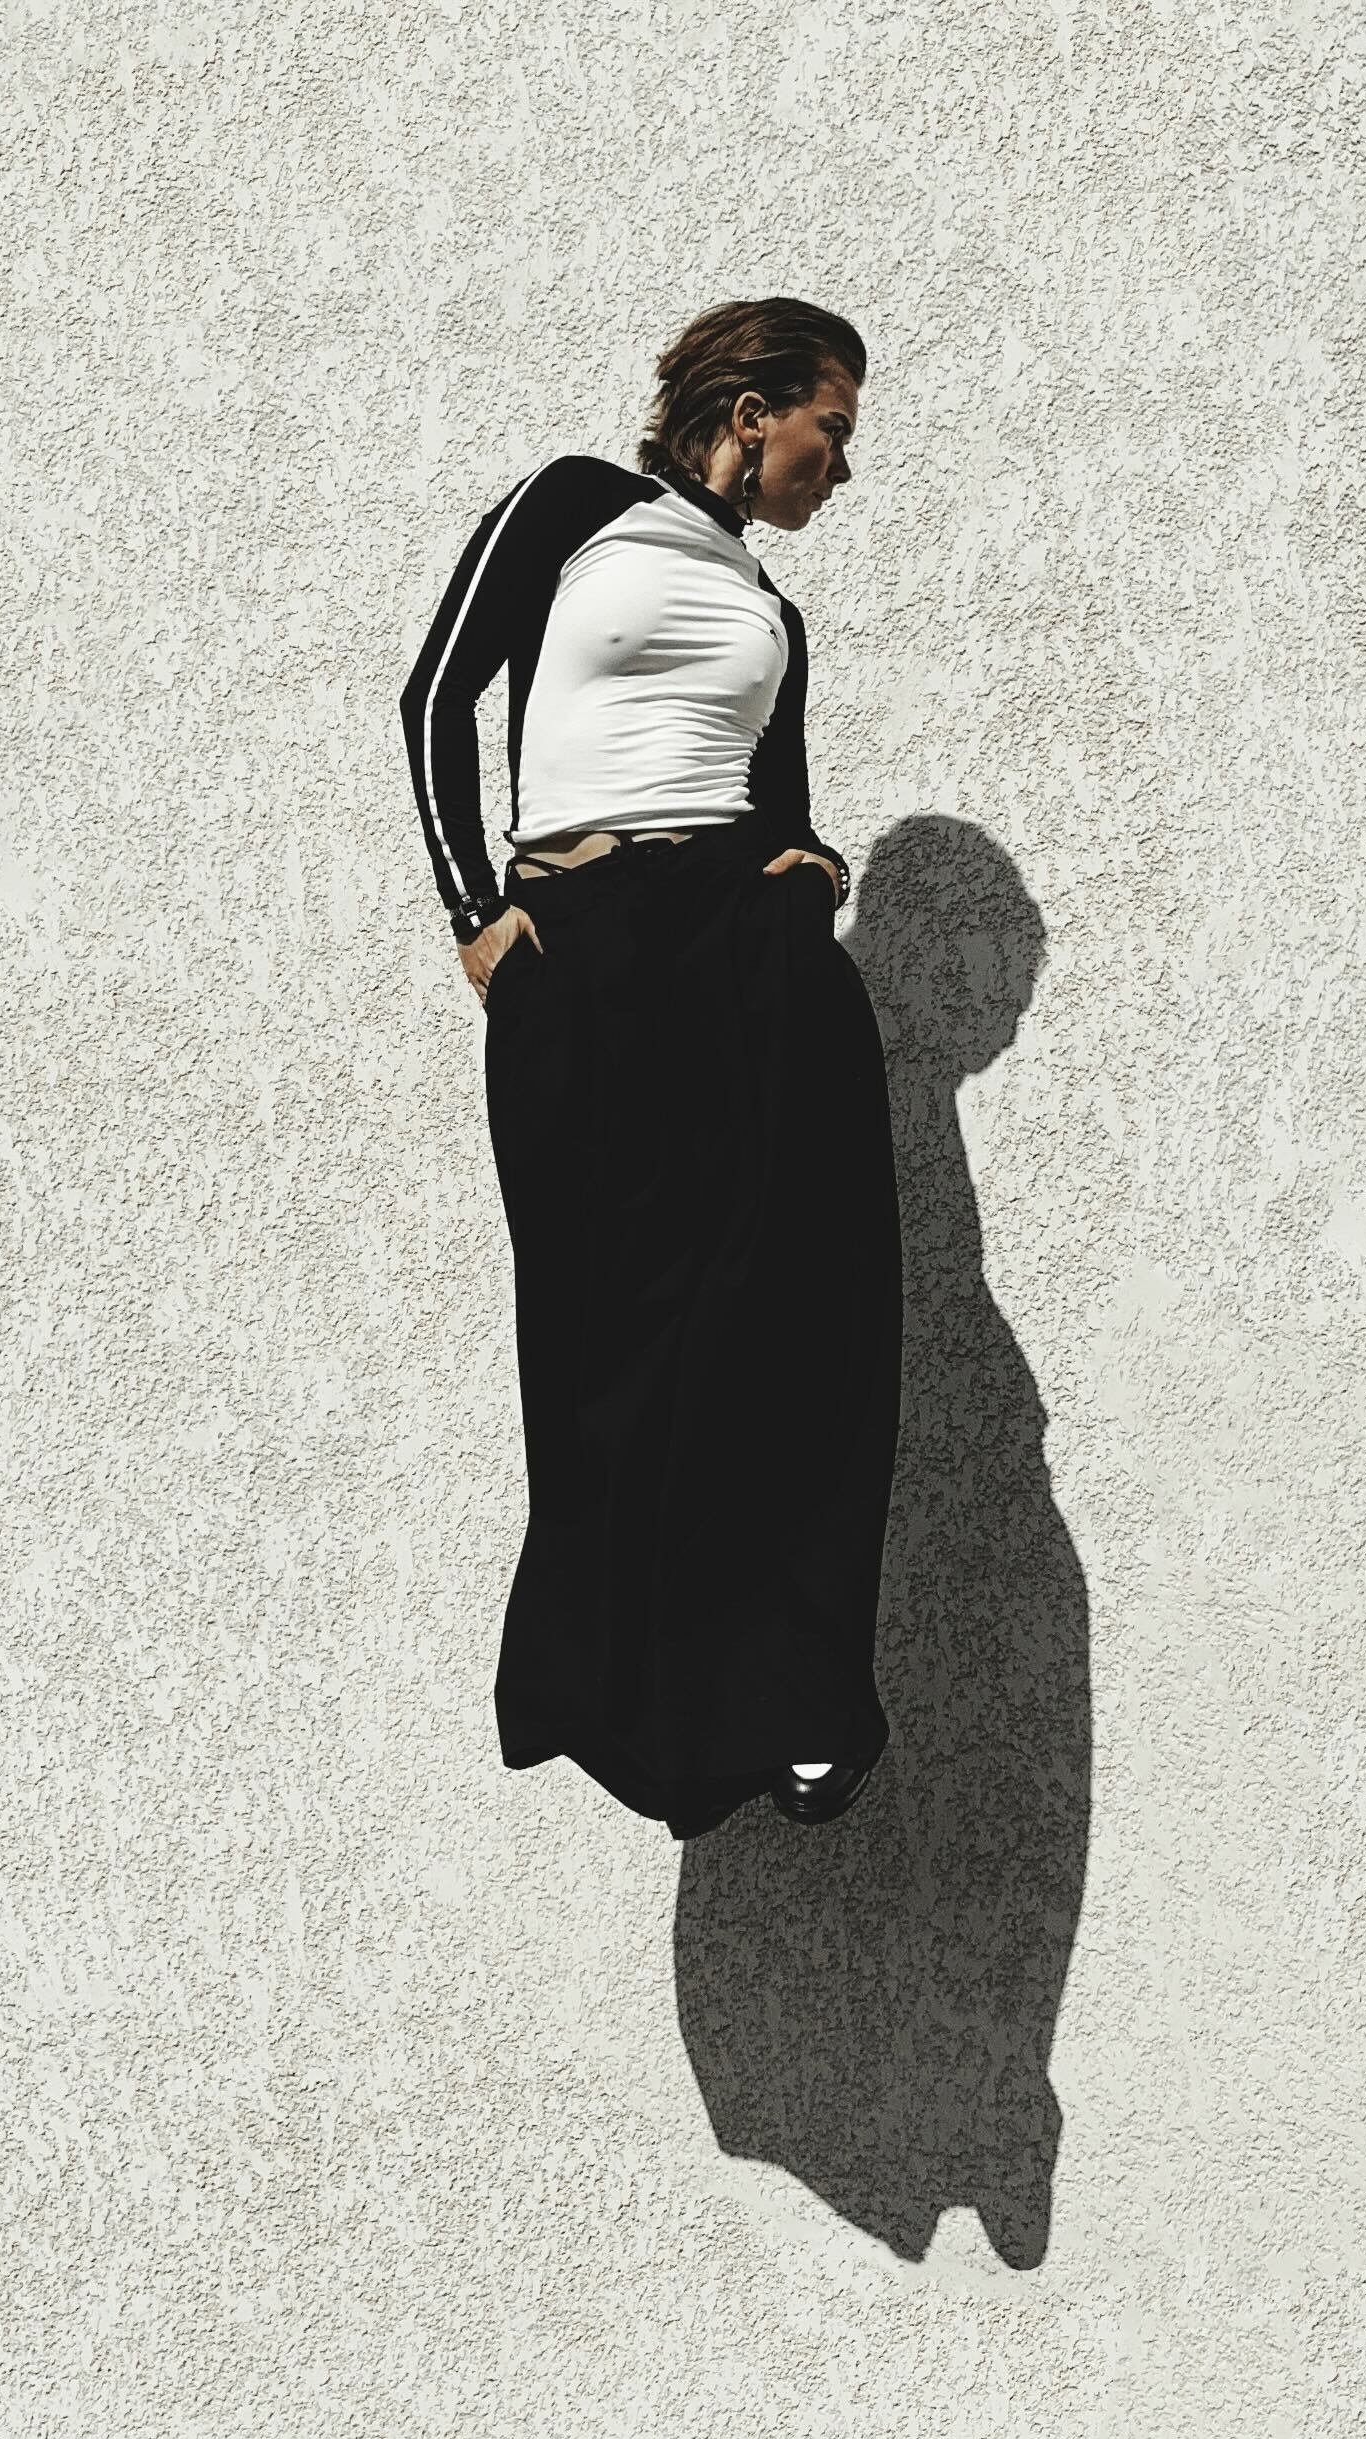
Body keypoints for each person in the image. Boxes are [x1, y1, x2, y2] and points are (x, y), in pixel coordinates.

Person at [398, 297, 901, 1838]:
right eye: (833, 429)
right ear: (752, 411)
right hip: (586, 940)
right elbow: (437, 696)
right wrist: (479, 917)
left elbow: (782, 803)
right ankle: (620, 1694)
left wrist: (808, 879)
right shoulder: (573, 509)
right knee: (604, 1327)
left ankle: (800, 1698)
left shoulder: (772, 612)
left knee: (804, 1313)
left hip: (743, 952)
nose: (842, 467)